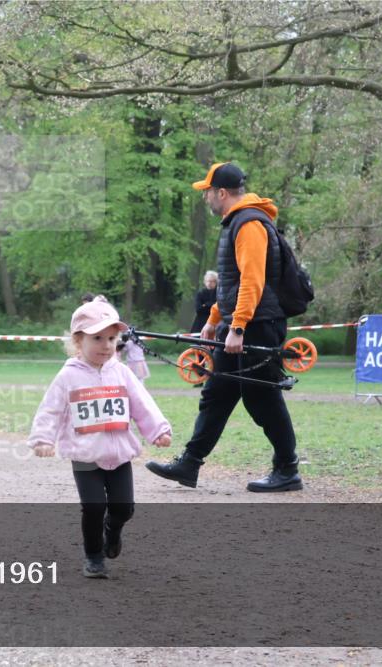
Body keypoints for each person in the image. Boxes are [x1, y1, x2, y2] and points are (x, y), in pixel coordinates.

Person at [146, 162, 302, 493]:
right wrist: (215, 319)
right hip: (240, 323)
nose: (204, 198)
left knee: (262, 398)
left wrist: (238, 327)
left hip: (258, 325)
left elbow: (252, 280)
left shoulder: (249, 224)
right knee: (216, 394)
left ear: (221, 193)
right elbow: (231, 283)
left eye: (206, 192)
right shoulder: (236, 222)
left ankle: (287, 469)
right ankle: (190, 463)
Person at [30, 296, 171, 578]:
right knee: (93, 506)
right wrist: (43, 439)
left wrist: (158, 430)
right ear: (78, 341)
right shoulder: (68, 376)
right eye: (97, 338)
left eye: (111, 338)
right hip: (85, 456)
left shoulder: (122, 372)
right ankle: (94, 557)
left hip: (119, 455)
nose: (106, 345)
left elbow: (142, 403)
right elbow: (51, 409)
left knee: (124, 509)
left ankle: (112, 529)